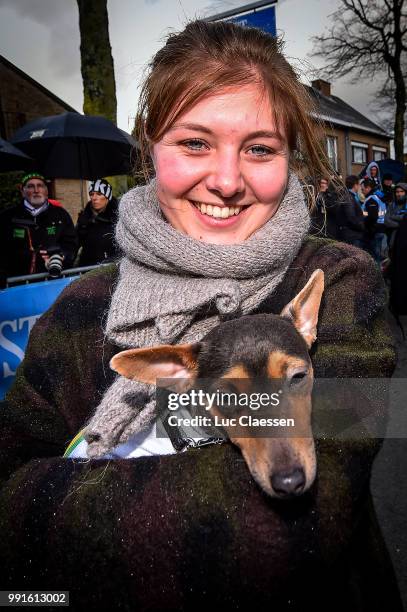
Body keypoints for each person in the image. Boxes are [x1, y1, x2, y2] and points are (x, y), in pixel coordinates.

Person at [0, 20, 401, 612]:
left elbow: (293, 525)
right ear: (150, 148)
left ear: (289, 158)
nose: (227, 180)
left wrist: (61, 510)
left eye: (260, 148)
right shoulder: (79, 309)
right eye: (194, 143)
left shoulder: (340, 278)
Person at [0, 172, 77, 285]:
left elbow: (71, 244)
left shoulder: (61, 215)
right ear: (22, 191)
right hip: (15, 285)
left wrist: (61, 256)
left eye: (40, 185)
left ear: (46, 190)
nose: (36, 190)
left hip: (53, 282)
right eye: (30, 186)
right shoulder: (7, 217)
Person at [75, 179, 119, 266]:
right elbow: (74, 244)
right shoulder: (84, 218)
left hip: (111, 269)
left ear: (108, 197)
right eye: (91, 194)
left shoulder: (118, 218)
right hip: (87, 270)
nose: (94, 198)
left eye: (99, 194)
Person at [361, 177, 387, 263]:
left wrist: (367, 230)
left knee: (374, 259)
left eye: (363, 189)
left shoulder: (371, 199)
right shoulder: (379, 197)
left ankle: (377, 276)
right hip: (381, 229)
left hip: (374, 232)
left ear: (368, 188)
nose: (362, 191)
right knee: (378, 258)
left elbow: (372, 217)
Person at [337, 175, 365, 248]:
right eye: (359, 185)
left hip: (351, 233)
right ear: (355, 185)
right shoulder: (349, 197)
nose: (359, 187)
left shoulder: (348, 196)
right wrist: (362, 227)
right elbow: (351, 217)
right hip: (352, 235)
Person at [384, 182, 407, 254]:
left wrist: (393, 217)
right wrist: (400, 225)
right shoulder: (391, 205)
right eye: (397, 192)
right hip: (392, 240)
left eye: (401, 192)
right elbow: (386, 221)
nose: (399, 194)